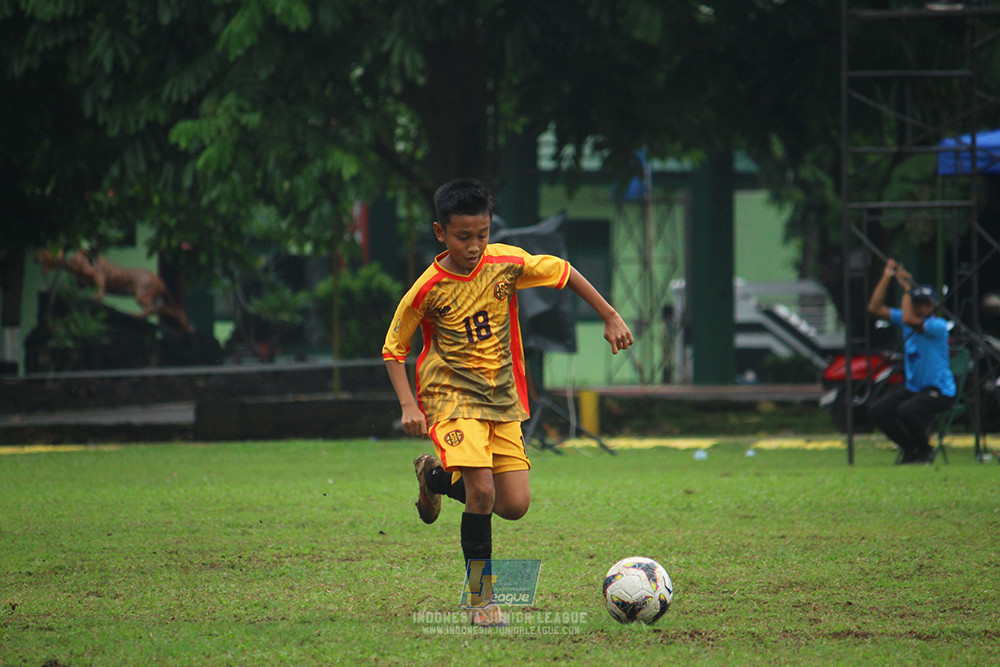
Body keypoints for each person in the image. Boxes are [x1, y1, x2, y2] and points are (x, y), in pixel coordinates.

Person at [382, 178, 633, 627]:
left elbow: (563, 270)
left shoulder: (506, 263)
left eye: (482, 234)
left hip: (502, 398)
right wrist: (409, 406)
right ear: (440, 233)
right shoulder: (426, 289)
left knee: (513, 505)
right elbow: (393, 349)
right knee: (481, 492)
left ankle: (435, 480)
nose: (475, 245)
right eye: (463, 237)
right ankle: (481, 600)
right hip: (450, 399)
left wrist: (610, 314)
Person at [866, 258, 955, 464]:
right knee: (877, 411)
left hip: (939, 390)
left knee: (907, 411)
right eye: (917, 304)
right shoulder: (908, 320)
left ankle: (924, 450)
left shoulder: (938, 326)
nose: (921, 308)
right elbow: (875, 307)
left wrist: (906, 289)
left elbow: (909, 320)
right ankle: (910, 448)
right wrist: (887, 276)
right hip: (915, 388)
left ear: (933, 306)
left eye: (926, 304)